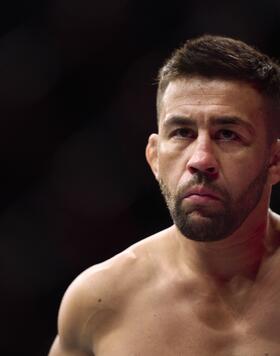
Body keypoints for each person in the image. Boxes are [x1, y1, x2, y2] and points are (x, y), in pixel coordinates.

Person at [49, 35, 280, 355]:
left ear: (275, 161)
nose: (201, 160)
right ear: (155, 157)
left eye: (228, 134)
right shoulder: (99, 302)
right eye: (182, 133)